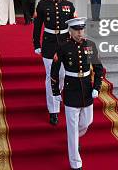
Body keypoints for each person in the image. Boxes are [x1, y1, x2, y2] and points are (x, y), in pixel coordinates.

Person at [51, 17, 104, 170]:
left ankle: (75, 138)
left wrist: (97, 87)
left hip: (87, 89)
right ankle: (75, 163)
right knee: (72, 129)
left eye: (82, 30)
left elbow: (98, 68)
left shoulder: (90, 45)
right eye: (77, 30)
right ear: (70, 31)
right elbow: (54, 71)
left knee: (87, 122)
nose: (80, 33)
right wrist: (56, 91)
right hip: (71, 89)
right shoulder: (63, 47)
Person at [33, 0, 76, 125]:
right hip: (49, 44)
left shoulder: (69, 5)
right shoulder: (43, 5)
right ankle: (53, 111)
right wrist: (36, 44)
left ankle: (56, 95)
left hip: (65, 43)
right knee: (51, 76)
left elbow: (74, 28)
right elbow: (37, 26)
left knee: (63, 75)